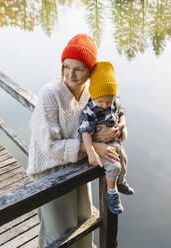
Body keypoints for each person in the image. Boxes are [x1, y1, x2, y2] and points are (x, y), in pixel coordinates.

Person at [26, 34, 123, 248]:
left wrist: (117, 129)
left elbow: (109, 114)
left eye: (78, 69)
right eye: (66, 66)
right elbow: (49, 146)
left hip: (78, 164)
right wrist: (91, 147)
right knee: (57, 233)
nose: (70, 74)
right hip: (51, 171)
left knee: (83, 222)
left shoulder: (91, 92)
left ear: (90, 72)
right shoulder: (50, 94)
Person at [78, 61, 134, 215]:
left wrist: (121, 125)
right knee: (114, 166)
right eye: (100, 101)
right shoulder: (90, 110)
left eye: (108, 101)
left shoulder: (113, 103)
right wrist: (90, 151)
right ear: (94, 95)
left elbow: (122, 114)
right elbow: (85, 132)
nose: (104, 105)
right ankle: (112, 193)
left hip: (114, 142)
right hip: (100, 147)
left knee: (124, 160)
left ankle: (121, 182)